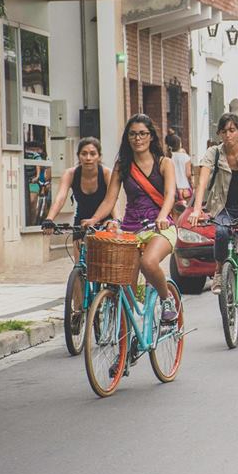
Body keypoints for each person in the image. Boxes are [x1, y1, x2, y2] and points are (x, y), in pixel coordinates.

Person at [84, 114, 179, 322]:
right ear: (127, 138)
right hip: (131, 228)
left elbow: (170, 194)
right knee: (125, 283)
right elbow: (110, 200)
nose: (138, 138)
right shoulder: (122, 165)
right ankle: (127, 339)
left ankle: (167, 299)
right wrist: (93, 220)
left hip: (160, 227)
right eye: (133, 134)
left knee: (149, 262)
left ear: (151, 137)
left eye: (143, 134)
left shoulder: (165, 163)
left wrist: (163, 216)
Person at [187, 114, 238, 328]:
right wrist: (196, 210)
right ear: (219, 134)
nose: (229, 134)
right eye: (224, 131)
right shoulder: (213, 153)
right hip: (223, 208)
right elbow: (202, 183)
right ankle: (220, 269)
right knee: (221, 233)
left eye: (232, 130)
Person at [41, 137, 113, 241]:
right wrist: (49, 219)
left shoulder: (106, 174)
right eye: (84, 154)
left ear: (99, 157)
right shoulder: (70, 174)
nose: (88, 158)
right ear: (78, 156)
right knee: (79, 255)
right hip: (81, 220)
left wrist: (116, 221)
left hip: (105, 220)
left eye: (93, 154)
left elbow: (112, 200)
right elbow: (60, 198)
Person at [166, 134, 192, 202]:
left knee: (175, 211)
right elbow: (188, 173)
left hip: (173, 190)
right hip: (185, 189)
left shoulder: (168, 157)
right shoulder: (186, 157)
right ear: (179, 144)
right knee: (186, 211)